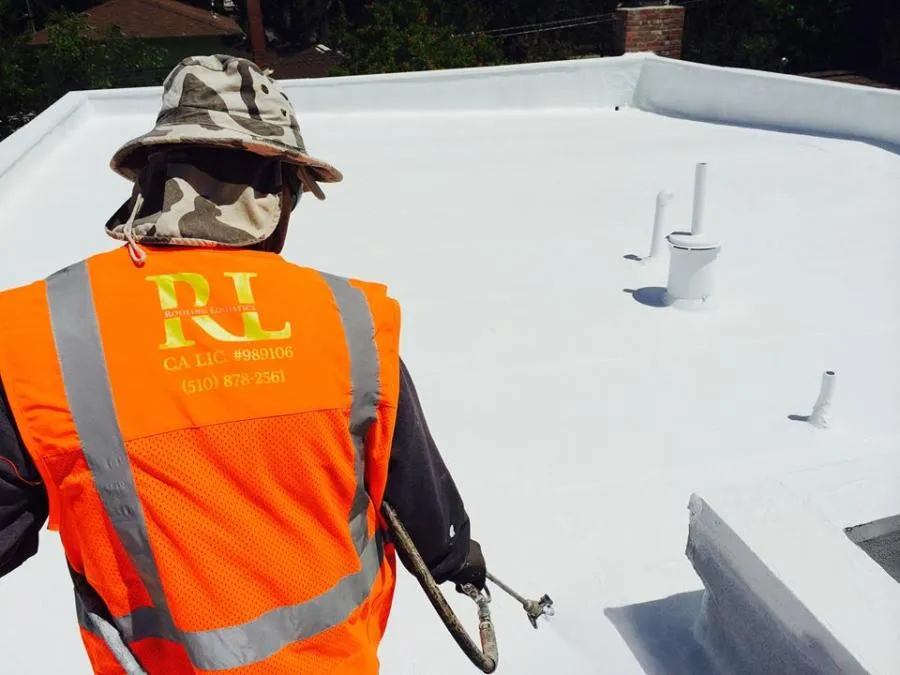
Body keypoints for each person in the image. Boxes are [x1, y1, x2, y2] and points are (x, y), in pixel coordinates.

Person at [0, 54, 485, 674]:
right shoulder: (349, 321)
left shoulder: (41, 334)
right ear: (276, 195)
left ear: (152, 178)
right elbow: (420, 500)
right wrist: (455, 554)